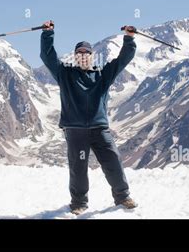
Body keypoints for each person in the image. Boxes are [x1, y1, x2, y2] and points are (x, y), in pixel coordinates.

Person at [40, 20, 138, 215]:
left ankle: (122, 196)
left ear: (92, 56)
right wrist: (48, 33)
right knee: (78, 168)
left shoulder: (103, 74)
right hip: (75, 130)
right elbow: (47, 56)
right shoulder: (64, 74)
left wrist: (129, 38)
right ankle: (78, 203)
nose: (83, 56)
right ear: (75, 57)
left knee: (113, 162)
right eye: (79, 54)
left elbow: (122, 60)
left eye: (86, 53)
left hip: (99, 128)